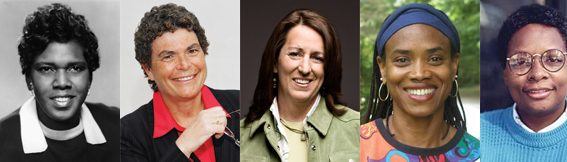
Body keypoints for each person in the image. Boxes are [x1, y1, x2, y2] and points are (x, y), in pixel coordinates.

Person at [120, 3, 240, 162]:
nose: (184, 65)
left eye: (192, 51)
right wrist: (184, 146)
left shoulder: (240, 105)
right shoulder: (128, 133)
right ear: (148, 69)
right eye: (168, 56)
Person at [360, 3, 480, 162]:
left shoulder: (478, 155)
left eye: (435, 59)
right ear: (383, 68)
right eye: (402, 60)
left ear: (454, 65)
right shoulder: (353, 147)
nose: (420, 74)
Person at [0, 3, 119, 161]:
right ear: (29, 79)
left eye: (75, 68)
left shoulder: (118, 126)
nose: (62, 82)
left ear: (90, 77)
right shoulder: (3, 141)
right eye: (46, 69)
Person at [481, 4, 567, 161]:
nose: (537, 74)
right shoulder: (477, 134)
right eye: (521, 61)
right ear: (506, 73)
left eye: (552, 59)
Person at [240, 9, 359, 162]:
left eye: (317, 58)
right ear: (275, 62)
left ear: (327, 68)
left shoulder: (357, 130)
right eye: (295, 54)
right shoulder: (241, 136)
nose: (305, 68)